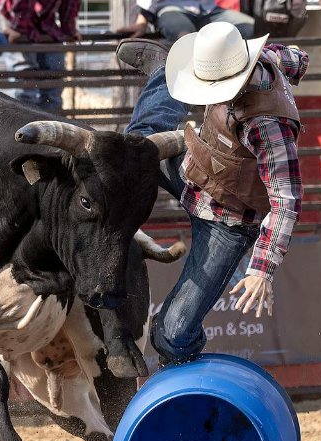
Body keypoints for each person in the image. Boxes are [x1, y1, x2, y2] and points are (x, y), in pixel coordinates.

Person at [116, 24, 307, 365]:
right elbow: (298, 59)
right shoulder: (261, 58)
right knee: (135, 150)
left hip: (230, 220)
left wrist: (261, 270)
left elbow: (285, 202)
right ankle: (163, 71)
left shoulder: (267, 126)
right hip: (197, 170)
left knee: (173, 334)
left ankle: (180, 374)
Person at [0, 0, 81, 112]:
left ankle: (51, 123)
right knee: (25, 79)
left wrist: (69, 29)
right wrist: (18, 27)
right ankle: (23, 123)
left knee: (54, 77)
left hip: (43, 22)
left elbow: (70, 3)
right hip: (10, 15)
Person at [116, 0, 256, 43]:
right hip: (171, 8)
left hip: (209, 9)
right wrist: (142, 22)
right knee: (185, 37)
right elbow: (146, 3)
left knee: (252, 28)